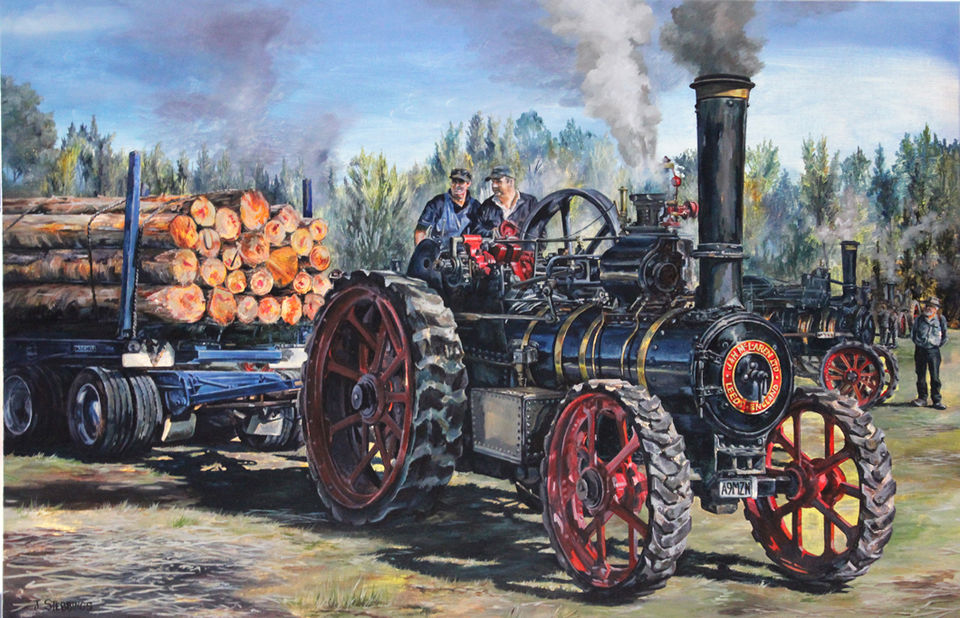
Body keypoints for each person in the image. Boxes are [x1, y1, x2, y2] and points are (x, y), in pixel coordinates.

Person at [414, 168, 481, 244]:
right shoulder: (438, 203)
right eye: (454, 181)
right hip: (440, 249)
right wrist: (420, 248)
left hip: (466, 249)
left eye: (461, 182)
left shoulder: (476, 206)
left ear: (468, 184)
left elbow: (482, 233)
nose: (456, 185)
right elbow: (420, 231)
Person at [468, 166, 538, 237]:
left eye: (498, 181)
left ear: (511, 182)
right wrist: (492, 234)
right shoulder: (487, 206)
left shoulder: (530, 202)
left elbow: (539, 231)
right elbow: (475, 230)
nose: (494, 186)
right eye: (493, 182)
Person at [911, 297, 948, 409]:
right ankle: (922, 399)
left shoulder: (941, 319)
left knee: (935, 376)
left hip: (933, 351)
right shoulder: (919, 319)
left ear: (936, 309)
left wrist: (936, 345)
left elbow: (945, 336)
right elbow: (913, 334)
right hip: (920, 350)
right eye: (926, 305)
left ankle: (936, 401)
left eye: (931, 306)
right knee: (920, 376)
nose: (928, 308)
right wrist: (919, 343)